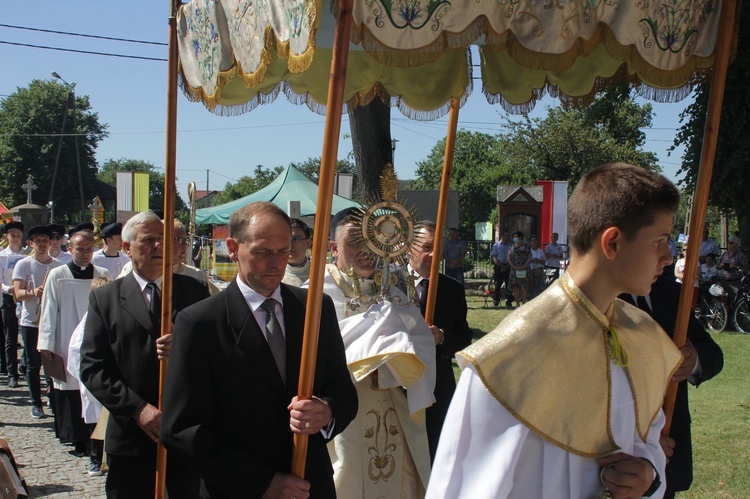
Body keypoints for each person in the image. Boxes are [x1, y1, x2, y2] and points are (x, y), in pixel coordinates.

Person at [426, 163, 683, 499]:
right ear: (613, 242)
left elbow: (647, 438)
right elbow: (463, 488)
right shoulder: (511, 355)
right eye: (659, 240)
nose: (668, 256)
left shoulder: (640, 336)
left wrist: (647, 473)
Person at [161, 202, 357, 498]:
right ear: (232, 247)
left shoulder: (315, 308)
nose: (277, 263)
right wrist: (261, 482)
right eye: (263, 252)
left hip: (310, 483)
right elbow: (181, 429)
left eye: (284, 250)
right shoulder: (199, 323)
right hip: (237, 488)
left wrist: (326, 412)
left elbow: (343, 390)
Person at [79, 211, 211, 498]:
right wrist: (139, 410)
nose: (158, 247)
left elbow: (217, 353)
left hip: (183, 432)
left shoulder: (194, 290)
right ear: (127, 248)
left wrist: (186, 349)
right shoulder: (106, 298)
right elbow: (93, 367)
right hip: (131, 434)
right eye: (148, 240)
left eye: (163, 240)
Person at [322, 207, 436, 498]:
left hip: (395, 409)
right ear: (333, 247)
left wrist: (399, 360)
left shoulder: (395, 293)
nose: (366, 250)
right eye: (355, 242)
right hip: (346, 415)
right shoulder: (318, 294)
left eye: (371, 240)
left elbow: (421, 345)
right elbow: (317, 355)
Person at [620, 275, 723, 498]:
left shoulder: (675, 294)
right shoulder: (597, 302)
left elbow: (713, 354)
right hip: (618, 467)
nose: (667, 256)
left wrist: (693, 359)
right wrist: (638, 439)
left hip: (669, 449)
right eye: (656, 242)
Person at [38, 229, 109, 474]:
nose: (85, 253)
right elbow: (48, 309)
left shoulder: (103, 275)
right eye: (80, 249)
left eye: (90, 248)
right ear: (70, 249)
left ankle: (94, 443)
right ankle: (76, 438)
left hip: (95, 338)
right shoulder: (58, 275)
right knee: (69, 387)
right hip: (66, 335)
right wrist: (46, 342)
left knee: (93, 393)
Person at [404, 220, 472, 462]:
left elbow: (464, 337)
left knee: (436, 451)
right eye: (426, 247)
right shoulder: (392, 285)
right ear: (409, 248)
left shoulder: (452, 289)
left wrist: (442, 336)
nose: (433, 254)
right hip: (399, 385)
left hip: (437, 386)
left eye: (438, 248)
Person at [12, 225, 65, 419]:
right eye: (38, 241)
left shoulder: (59, 265)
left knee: (53, 363)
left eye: (46, 241)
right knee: (34, 365)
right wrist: (33, 292)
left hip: (52, 321)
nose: (42, 244)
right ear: (31, 243)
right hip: (31, 322)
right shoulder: (23, 264)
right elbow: (17, 294)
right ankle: (36, 403)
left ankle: (54, 399)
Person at [66, 275, 111, 477]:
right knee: (95, 423)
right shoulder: (89, 319)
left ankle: (110, 460)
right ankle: (95, 459)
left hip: (113, 381)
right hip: (95, 382)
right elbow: (76, 349)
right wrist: (88, 378)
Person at [119, 220, 219, 295]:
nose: (185, 245)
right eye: (179, 240)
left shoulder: (196, 276)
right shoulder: (133, 269)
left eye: (185, 240)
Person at [0, 221, 26, 388]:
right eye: (12, 235)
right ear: (6, 236)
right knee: (10, 337)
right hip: (9, 297)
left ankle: (26, 364)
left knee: (28, 334)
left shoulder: (28, 254)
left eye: (18, 235)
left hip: (26, 296)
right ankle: (12, 373)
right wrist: (10, 289)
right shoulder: (2, 256)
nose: (16, 238)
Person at [282, 218, 313, 287]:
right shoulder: (273, 274)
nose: (289, 244)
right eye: (285, 239)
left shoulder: (320, 273)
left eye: (296, 239)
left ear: (308, 243)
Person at [507, 230, 531, 307]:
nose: (515, 238)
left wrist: (524, 266)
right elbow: (509, 257)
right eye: (514, 237)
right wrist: (513, 266)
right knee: (515, 287)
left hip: (524, 269)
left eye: (516, 237)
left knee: (524, 287)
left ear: (520, 237)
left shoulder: (526, 246)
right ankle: (517, 303)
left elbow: (529, 257)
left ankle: (524, 303)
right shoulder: (511, 247)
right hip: (514, 269)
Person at [490, 233, 512, 307]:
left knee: (508, 284)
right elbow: (494, 257)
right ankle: (496, 300)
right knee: (497, 284)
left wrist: (507, 266)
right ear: (502, 236)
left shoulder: (510, 246)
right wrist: (502, 266)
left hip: (508, 265)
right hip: (499, 266)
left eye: (507, 236)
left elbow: (512, 257)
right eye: (505, 235)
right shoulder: (496, 245)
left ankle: (509, 301)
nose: (506, 237)